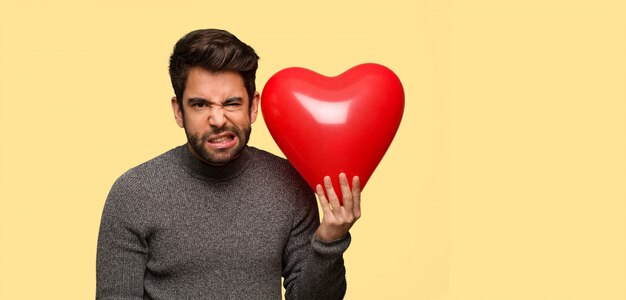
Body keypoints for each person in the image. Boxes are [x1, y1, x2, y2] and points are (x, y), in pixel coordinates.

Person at [96, 29, 361, 299]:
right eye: (200, 105)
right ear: (178, 111)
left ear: (253, 106)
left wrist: (329, 240)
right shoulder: (134, 192)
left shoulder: (290, 183)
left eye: (232, 103)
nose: (218, 119)